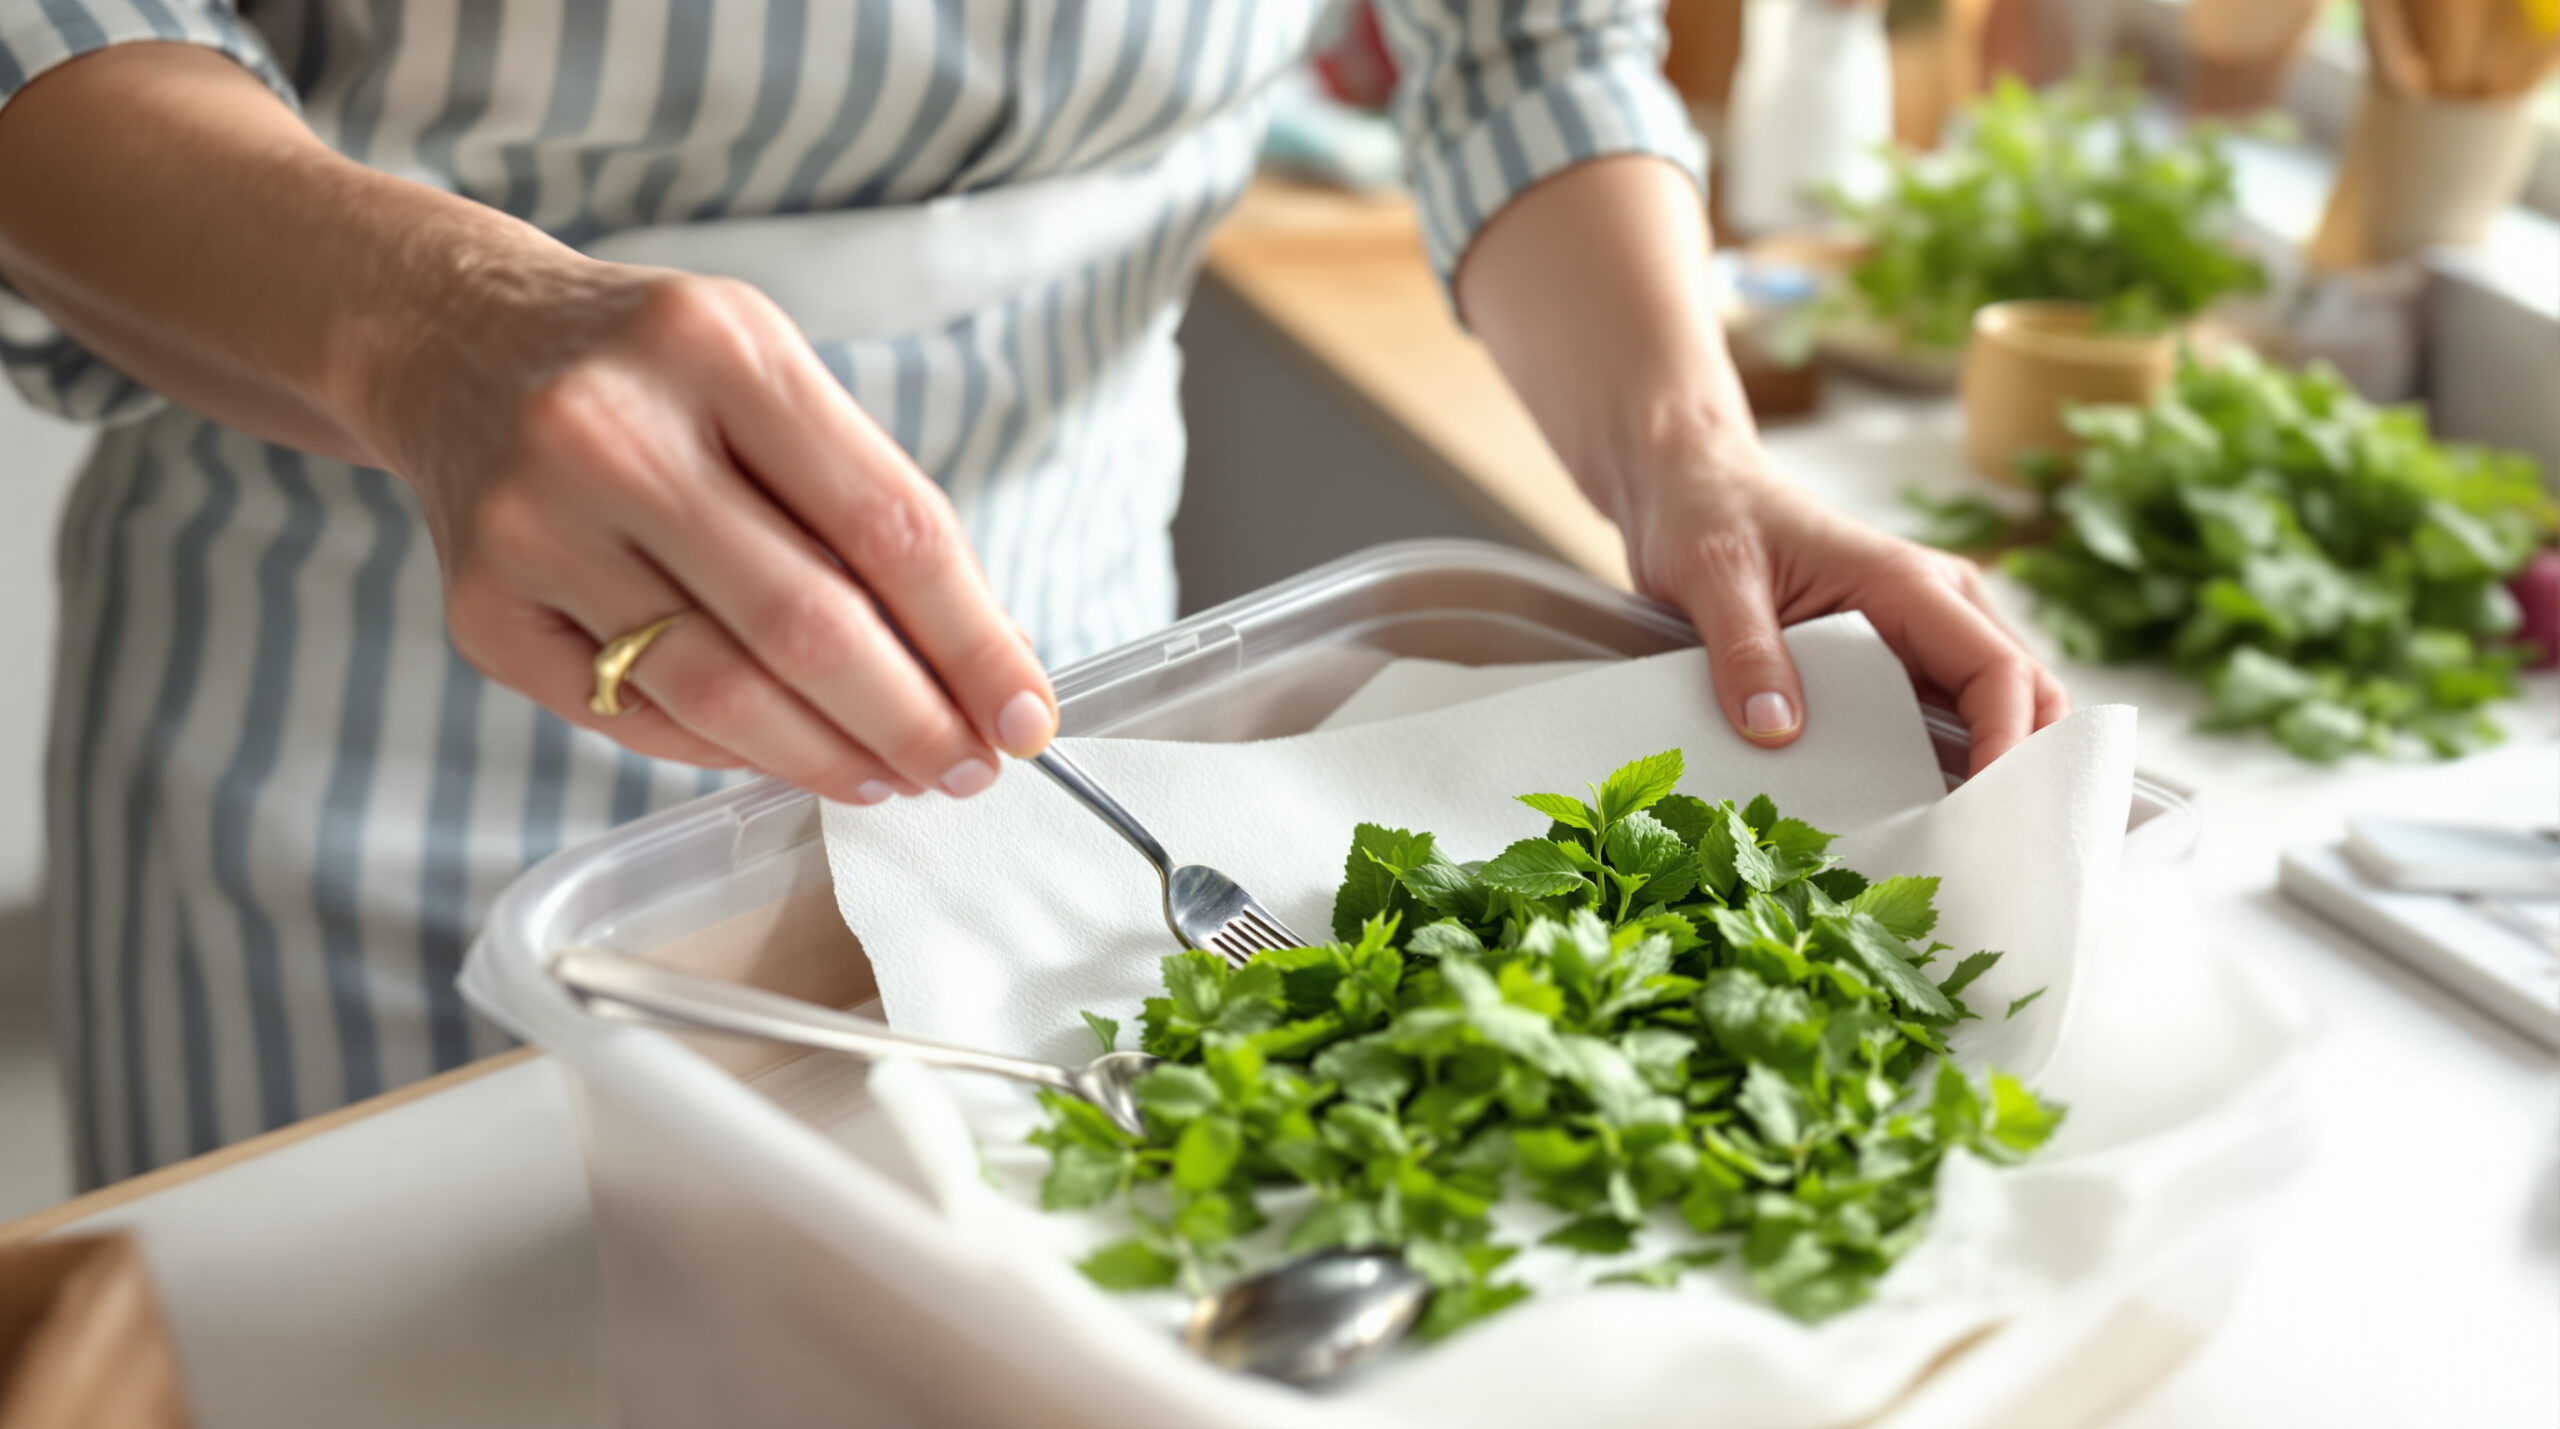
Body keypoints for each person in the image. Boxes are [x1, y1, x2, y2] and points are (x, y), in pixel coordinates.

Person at [0, 0, 2066, 1186]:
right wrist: (436, 329)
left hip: (1093, 713)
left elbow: (1523, 35)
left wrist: (1691, 458)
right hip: (342, 702)